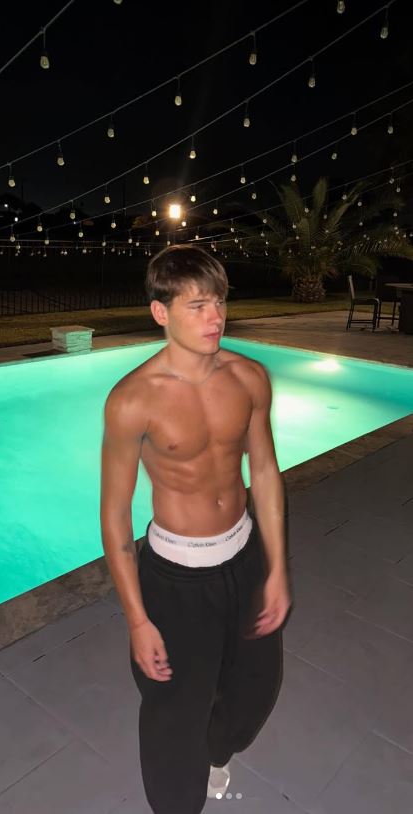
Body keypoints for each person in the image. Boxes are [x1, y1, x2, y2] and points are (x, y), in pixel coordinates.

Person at [100, 244, 291, 814]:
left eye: (220, 303)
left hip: (244, 559)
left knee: (257, 687)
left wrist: (277, 569)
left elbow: (264, 472)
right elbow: (114, 513)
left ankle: (217, 750)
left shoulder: (249, 377)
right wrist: (137, 619)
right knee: (172, 713)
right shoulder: (132, 400)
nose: (216, 318)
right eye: (198, 306)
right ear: (161, 312)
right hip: (177, 576)